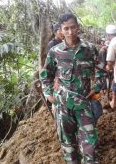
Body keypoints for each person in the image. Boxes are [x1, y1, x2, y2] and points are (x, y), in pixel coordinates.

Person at [40, 13, 104, 164]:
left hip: (83, 104)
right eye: (66, 28)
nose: (70, 32)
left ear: (78, 27)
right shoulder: (55, 51)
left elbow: (101, 72)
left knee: (90, 143)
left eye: (73, 27)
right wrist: (49, 94)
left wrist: (96, 88)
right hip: (63, 105)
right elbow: (45, 75)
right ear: (61, 30)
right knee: (68, 145)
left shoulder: (90, 49)